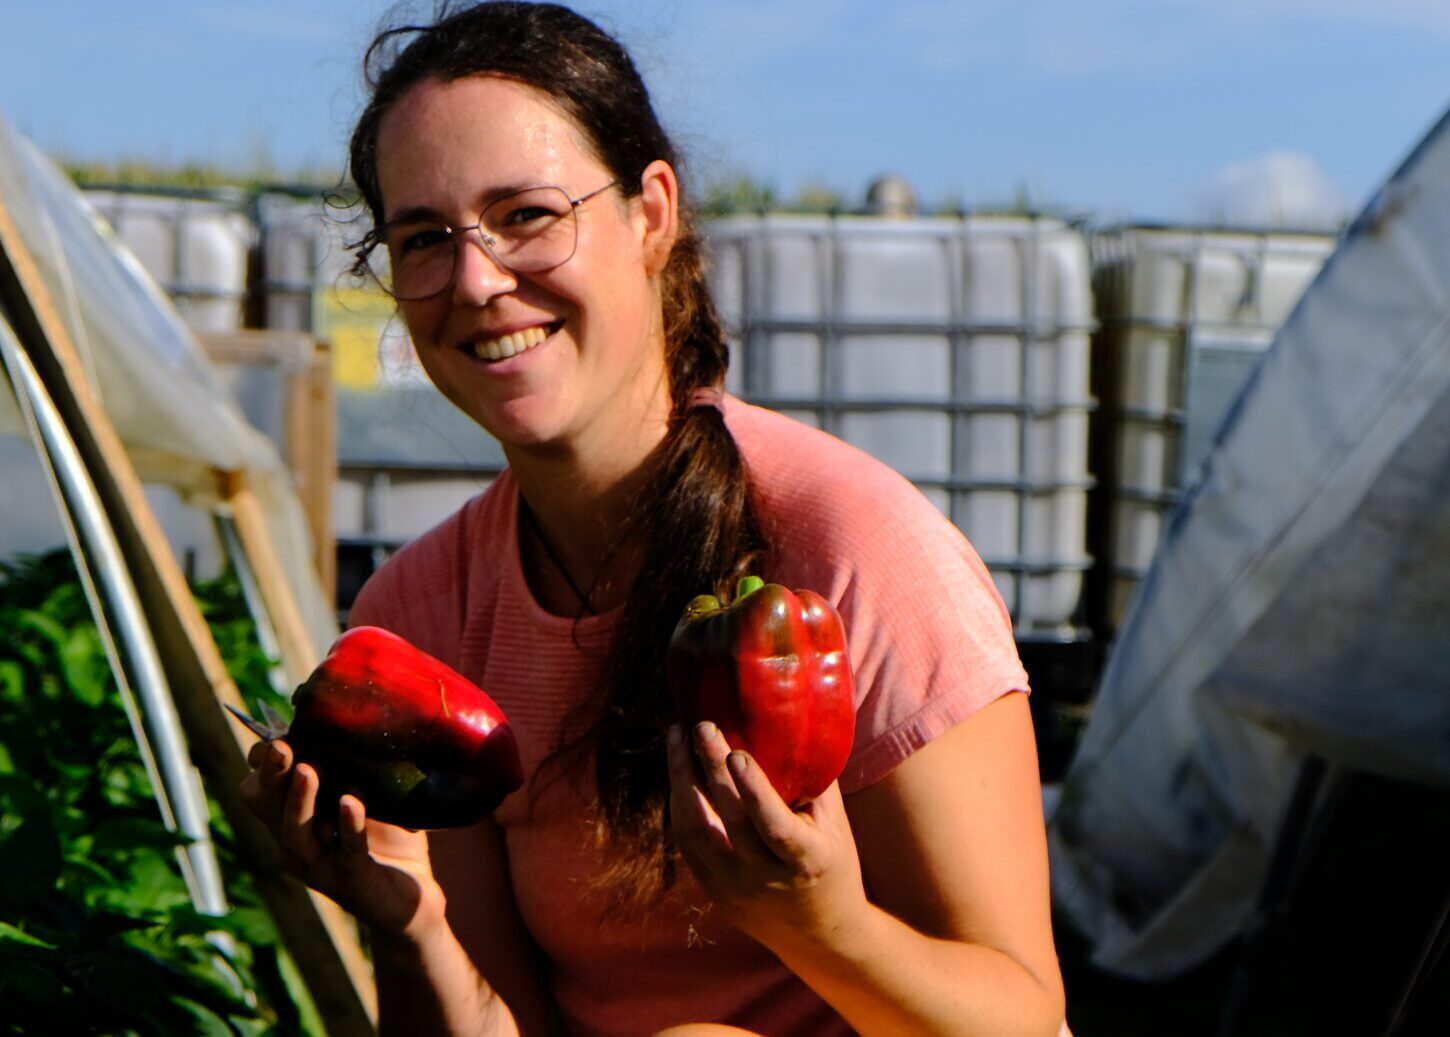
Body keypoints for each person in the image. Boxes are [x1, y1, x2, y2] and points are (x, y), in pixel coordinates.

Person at [242, 4, 1066, 1035]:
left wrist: (823, 924)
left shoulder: (859, 552)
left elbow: (1030, 1019)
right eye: (423, 238)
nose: (476, 280)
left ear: (650, 214)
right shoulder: (419, 611)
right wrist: (411, 924)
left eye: (528, 215)